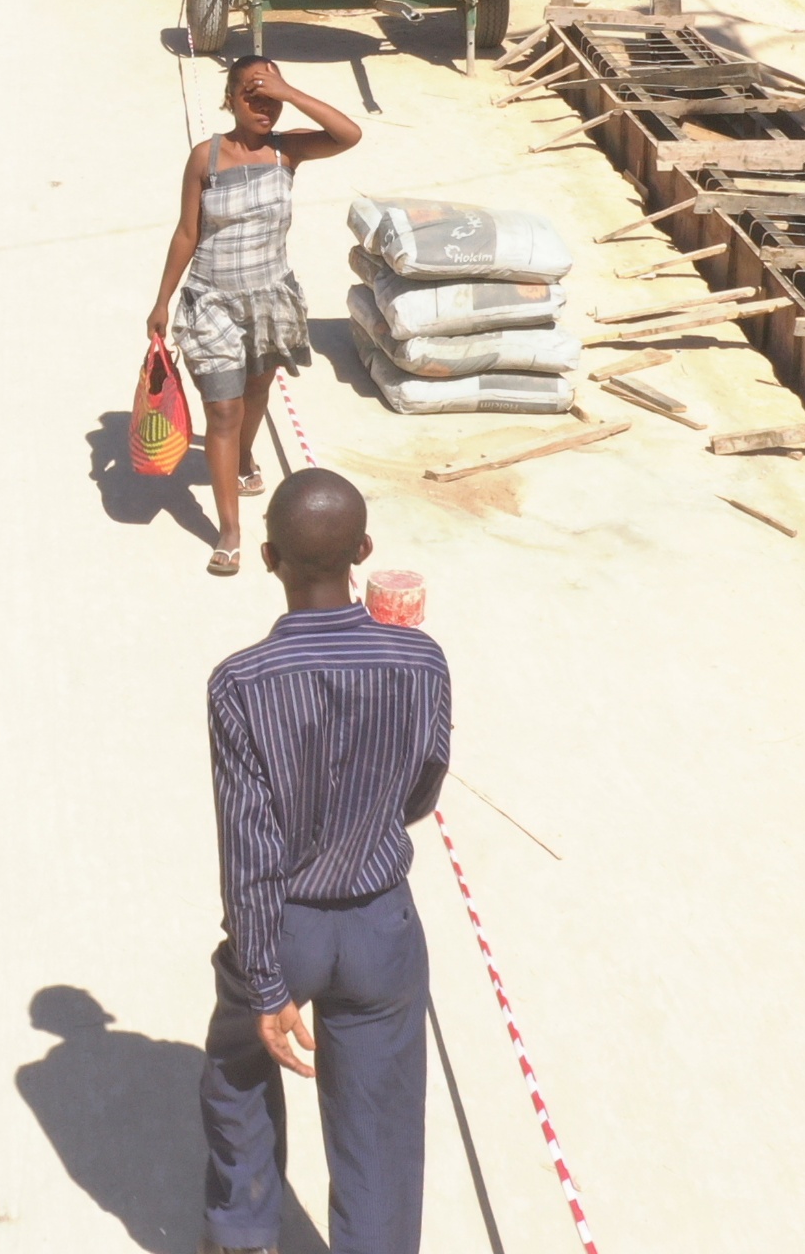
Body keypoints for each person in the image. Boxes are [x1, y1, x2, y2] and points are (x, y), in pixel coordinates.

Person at [198, 470, 447, 1254]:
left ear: (268, 556)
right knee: (378, 1125)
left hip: (284, 927)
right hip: (381, 926)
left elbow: (249, 845)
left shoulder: (240, 683)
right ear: (364, 553)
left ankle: (241, 1235)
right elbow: (420, 791)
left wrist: (267, 980)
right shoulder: (423, 662)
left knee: (240, 1062)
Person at [148, 53, 363, 575]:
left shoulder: (288, 152)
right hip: (212, 302)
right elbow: (186, 232)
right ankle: (230, 530)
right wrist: (162, 300)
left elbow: (349, 134)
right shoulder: (208, 158)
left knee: (257, 391)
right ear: (230, 99)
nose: (263, 104)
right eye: (252, 93)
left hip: (269, 300)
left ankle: (244, 461)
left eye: (271, 95)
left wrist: (288, 92)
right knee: (223, 411)